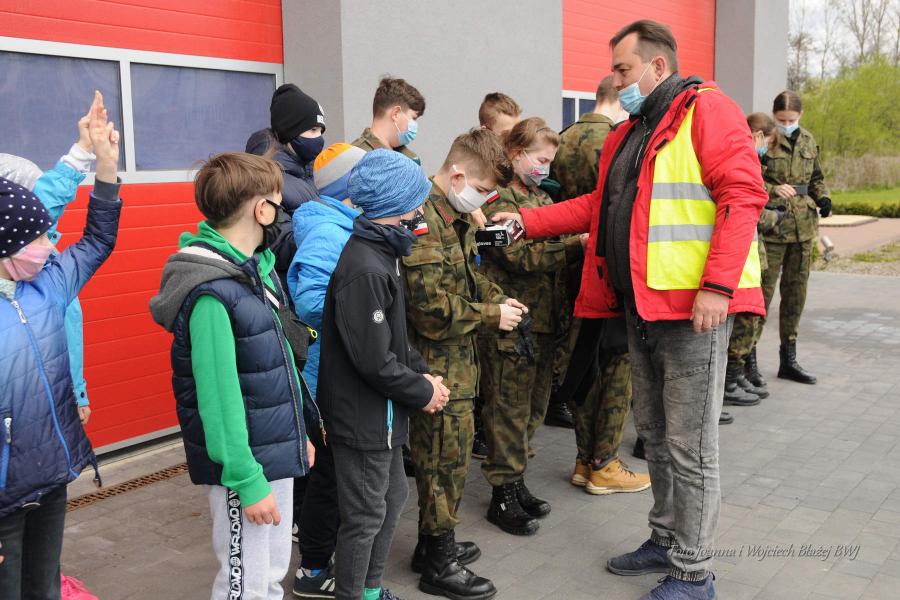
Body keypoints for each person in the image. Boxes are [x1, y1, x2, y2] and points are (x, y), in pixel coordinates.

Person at [492, 20, 767, 598]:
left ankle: (693, 574)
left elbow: (743, 195)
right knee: (658, 438)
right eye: (615, 72)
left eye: (624, 70)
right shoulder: (632, 132)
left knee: (691, 448)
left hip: (694, 313)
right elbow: (601, 203)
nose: (616, 82)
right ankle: (665, 539)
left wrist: (717, 287)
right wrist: (528, 221)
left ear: (657, 67)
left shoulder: (707, 113)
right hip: (643, 310)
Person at [149, 152, 318, 600]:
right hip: (244, 468)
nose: (282, 214)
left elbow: (278, 366)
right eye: (279, 203)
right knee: (244, 584)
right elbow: (219, 400)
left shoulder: (257, 271)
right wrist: (246, 480)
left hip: (273, 453)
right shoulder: (212, 293)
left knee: (270, 575)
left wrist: (297, 434)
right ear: (262, 210)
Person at [0, 91, 121, 600]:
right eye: (40, 238)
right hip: (4, 500)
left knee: (44, 588)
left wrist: (105, 165)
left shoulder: (47, 285)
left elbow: (97, 240)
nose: (52, 246)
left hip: (51, 478)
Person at [317, 149, 449, 600]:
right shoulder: (365, 268)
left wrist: (424, 375)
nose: (420, 212)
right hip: (363, 420)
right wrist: (421, 391)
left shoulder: (381, 254)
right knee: (365, 517)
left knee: (392, 500)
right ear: (397, 206)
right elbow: (373, 361)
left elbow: (393, 341)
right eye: (416, 203)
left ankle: (371, 590)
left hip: (383, 416)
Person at [402, 129, 526, 600]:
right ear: (457, 176)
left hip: (457, 361)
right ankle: (438, 563)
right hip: (437, 365)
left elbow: (466, 279)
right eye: (481, 190)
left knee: (449, 460)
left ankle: (432, 544)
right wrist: (492, 315)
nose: (483, 201)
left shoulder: (450, 217)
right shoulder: (423, 223)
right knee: (442, 462)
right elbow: (430, 310)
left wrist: (497, 298)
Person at [478, 117, 584, 536]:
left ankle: (517, 480)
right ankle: (502, 493)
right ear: (517, 153)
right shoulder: (494, 198)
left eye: (550, 161)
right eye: (540, 159)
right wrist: (575, 245)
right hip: (512, 321)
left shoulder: (541, 197)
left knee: (534, 409)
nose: (546, 168)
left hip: (543, 322)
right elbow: (516, 256)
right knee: (508, 408)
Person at [549, 75, 651, 494]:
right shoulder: (618, 141)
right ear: (622, 98)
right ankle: (604, 462)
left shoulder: (563, 138)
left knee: (582, 364)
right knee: (615, 368)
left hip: (567, 263)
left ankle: (583, 459)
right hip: (605, 265)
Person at [286, 142, 366, 598]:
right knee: (329, 479)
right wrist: (366, 312)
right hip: (326, 378)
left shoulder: (344, 226)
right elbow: (311, 303)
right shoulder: (326, 233)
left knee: (333, 476)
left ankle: (320, 556)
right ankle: (313, 569)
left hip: (339, 372)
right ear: (350, 187)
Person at [0, 113, 98, 428]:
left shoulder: (43, 260)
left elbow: (68, 341)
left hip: (58, 405)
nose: (47, 228)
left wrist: (77, 392)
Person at [760, 90, 831, 385]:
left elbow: (817, 178)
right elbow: (749, 176)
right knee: (761, 296)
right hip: (774, 228)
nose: (786, 125)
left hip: (803, 229)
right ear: (774, 116)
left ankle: (788, 360)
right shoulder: (765, 139)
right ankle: (746, 361)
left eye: (791, 120)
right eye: (781, 119)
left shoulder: (809, 141)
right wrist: (771, 189)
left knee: (795, 296)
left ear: (800, 115)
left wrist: (824, 197)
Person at [723, 113, 788, 408]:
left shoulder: (747, 160)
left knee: (749, 318)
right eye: (767, 143)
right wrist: (774, 217)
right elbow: (747, 208)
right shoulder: (739, 161)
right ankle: (729, 382)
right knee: (743, 320)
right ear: (759, 136)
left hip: (750, 253)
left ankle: (736, 376)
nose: (766, 150)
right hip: (739, 255)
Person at [246, 83, 327, 286]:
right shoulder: (266, 178)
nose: (319, 139)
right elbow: (278, 244)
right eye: (312, 130)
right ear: (290, 132)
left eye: (321, 130)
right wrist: (330, 229)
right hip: (284, 288)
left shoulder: (304, 170)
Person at [352, 77, 425, 165]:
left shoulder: (410, 158)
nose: (415, 124)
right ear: (396, 113)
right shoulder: (357, 156)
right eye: (413, 118)